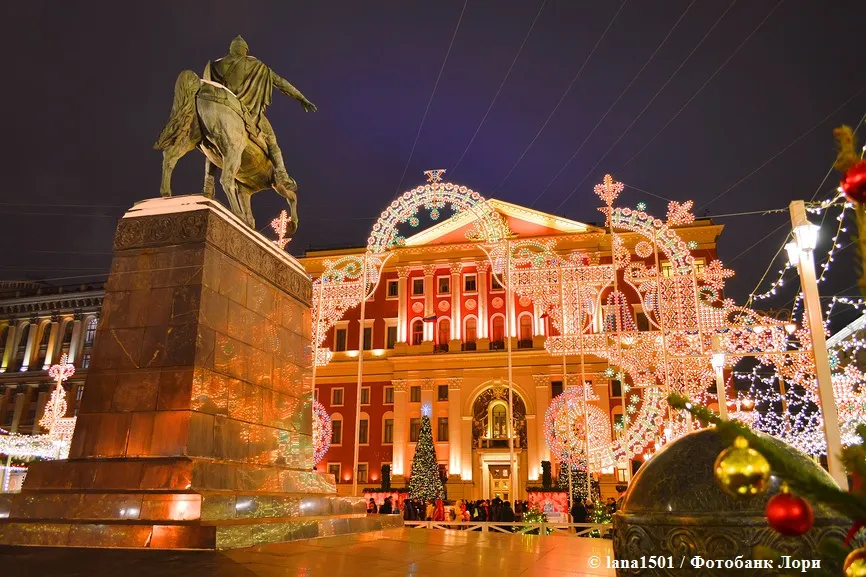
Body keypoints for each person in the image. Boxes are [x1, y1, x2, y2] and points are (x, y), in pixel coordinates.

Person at [206, 36, 317, 185]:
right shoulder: (258, 66)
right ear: (244, 50)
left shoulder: (215, 65)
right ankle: (282, 175)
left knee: (212, 139)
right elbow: (282, 83)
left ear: (231, 49)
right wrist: (302, 98)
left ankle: (208, 183)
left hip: (221, 106)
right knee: (272, 141)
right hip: (247, 110)